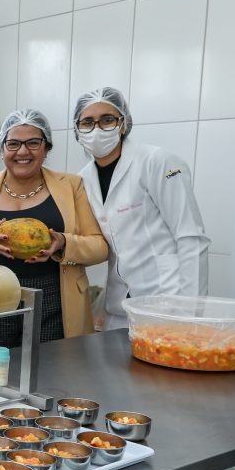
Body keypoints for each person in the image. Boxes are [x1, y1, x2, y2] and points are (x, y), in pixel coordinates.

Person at [0, 109, 108, 348]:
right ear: (2, 151)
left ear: (46, 148)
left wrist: (63, 243)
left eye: (33, 143)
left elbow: (99, 246)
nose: (23, 151)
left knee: (51, 373)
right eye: (13, 144)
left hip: (55, 299)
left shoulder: (71, 186)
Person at [72, 87, 211, 330]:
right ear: (78, 129)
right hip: (118, 307)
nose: (96, 129)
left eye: (107, 120)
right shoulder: (83, 179)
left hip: (168, 300)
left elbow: (191, 237)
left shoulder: (158, 162)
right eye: (87, 122)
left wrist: (191, 313)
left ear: (123, 124)